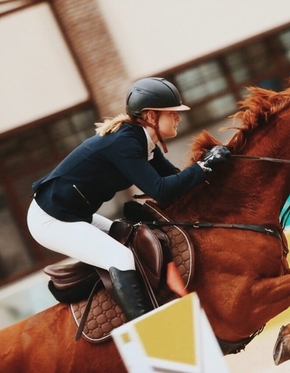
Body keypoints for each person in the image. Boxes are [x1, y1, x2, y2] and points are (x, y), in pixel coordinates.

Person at [27, 77, 230, 321]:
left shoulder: (145, 143)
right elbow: (161, 190)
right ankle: (148, 329)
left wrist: (210, 168)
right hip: (50, 220)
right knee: (120, 258)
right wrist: (203, 166)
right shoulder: (125, 143)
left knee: (136, 238)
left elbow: (176, 179)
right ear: (151, 116)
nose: (178, 117)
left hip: (75, 215)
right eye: (172, 113)